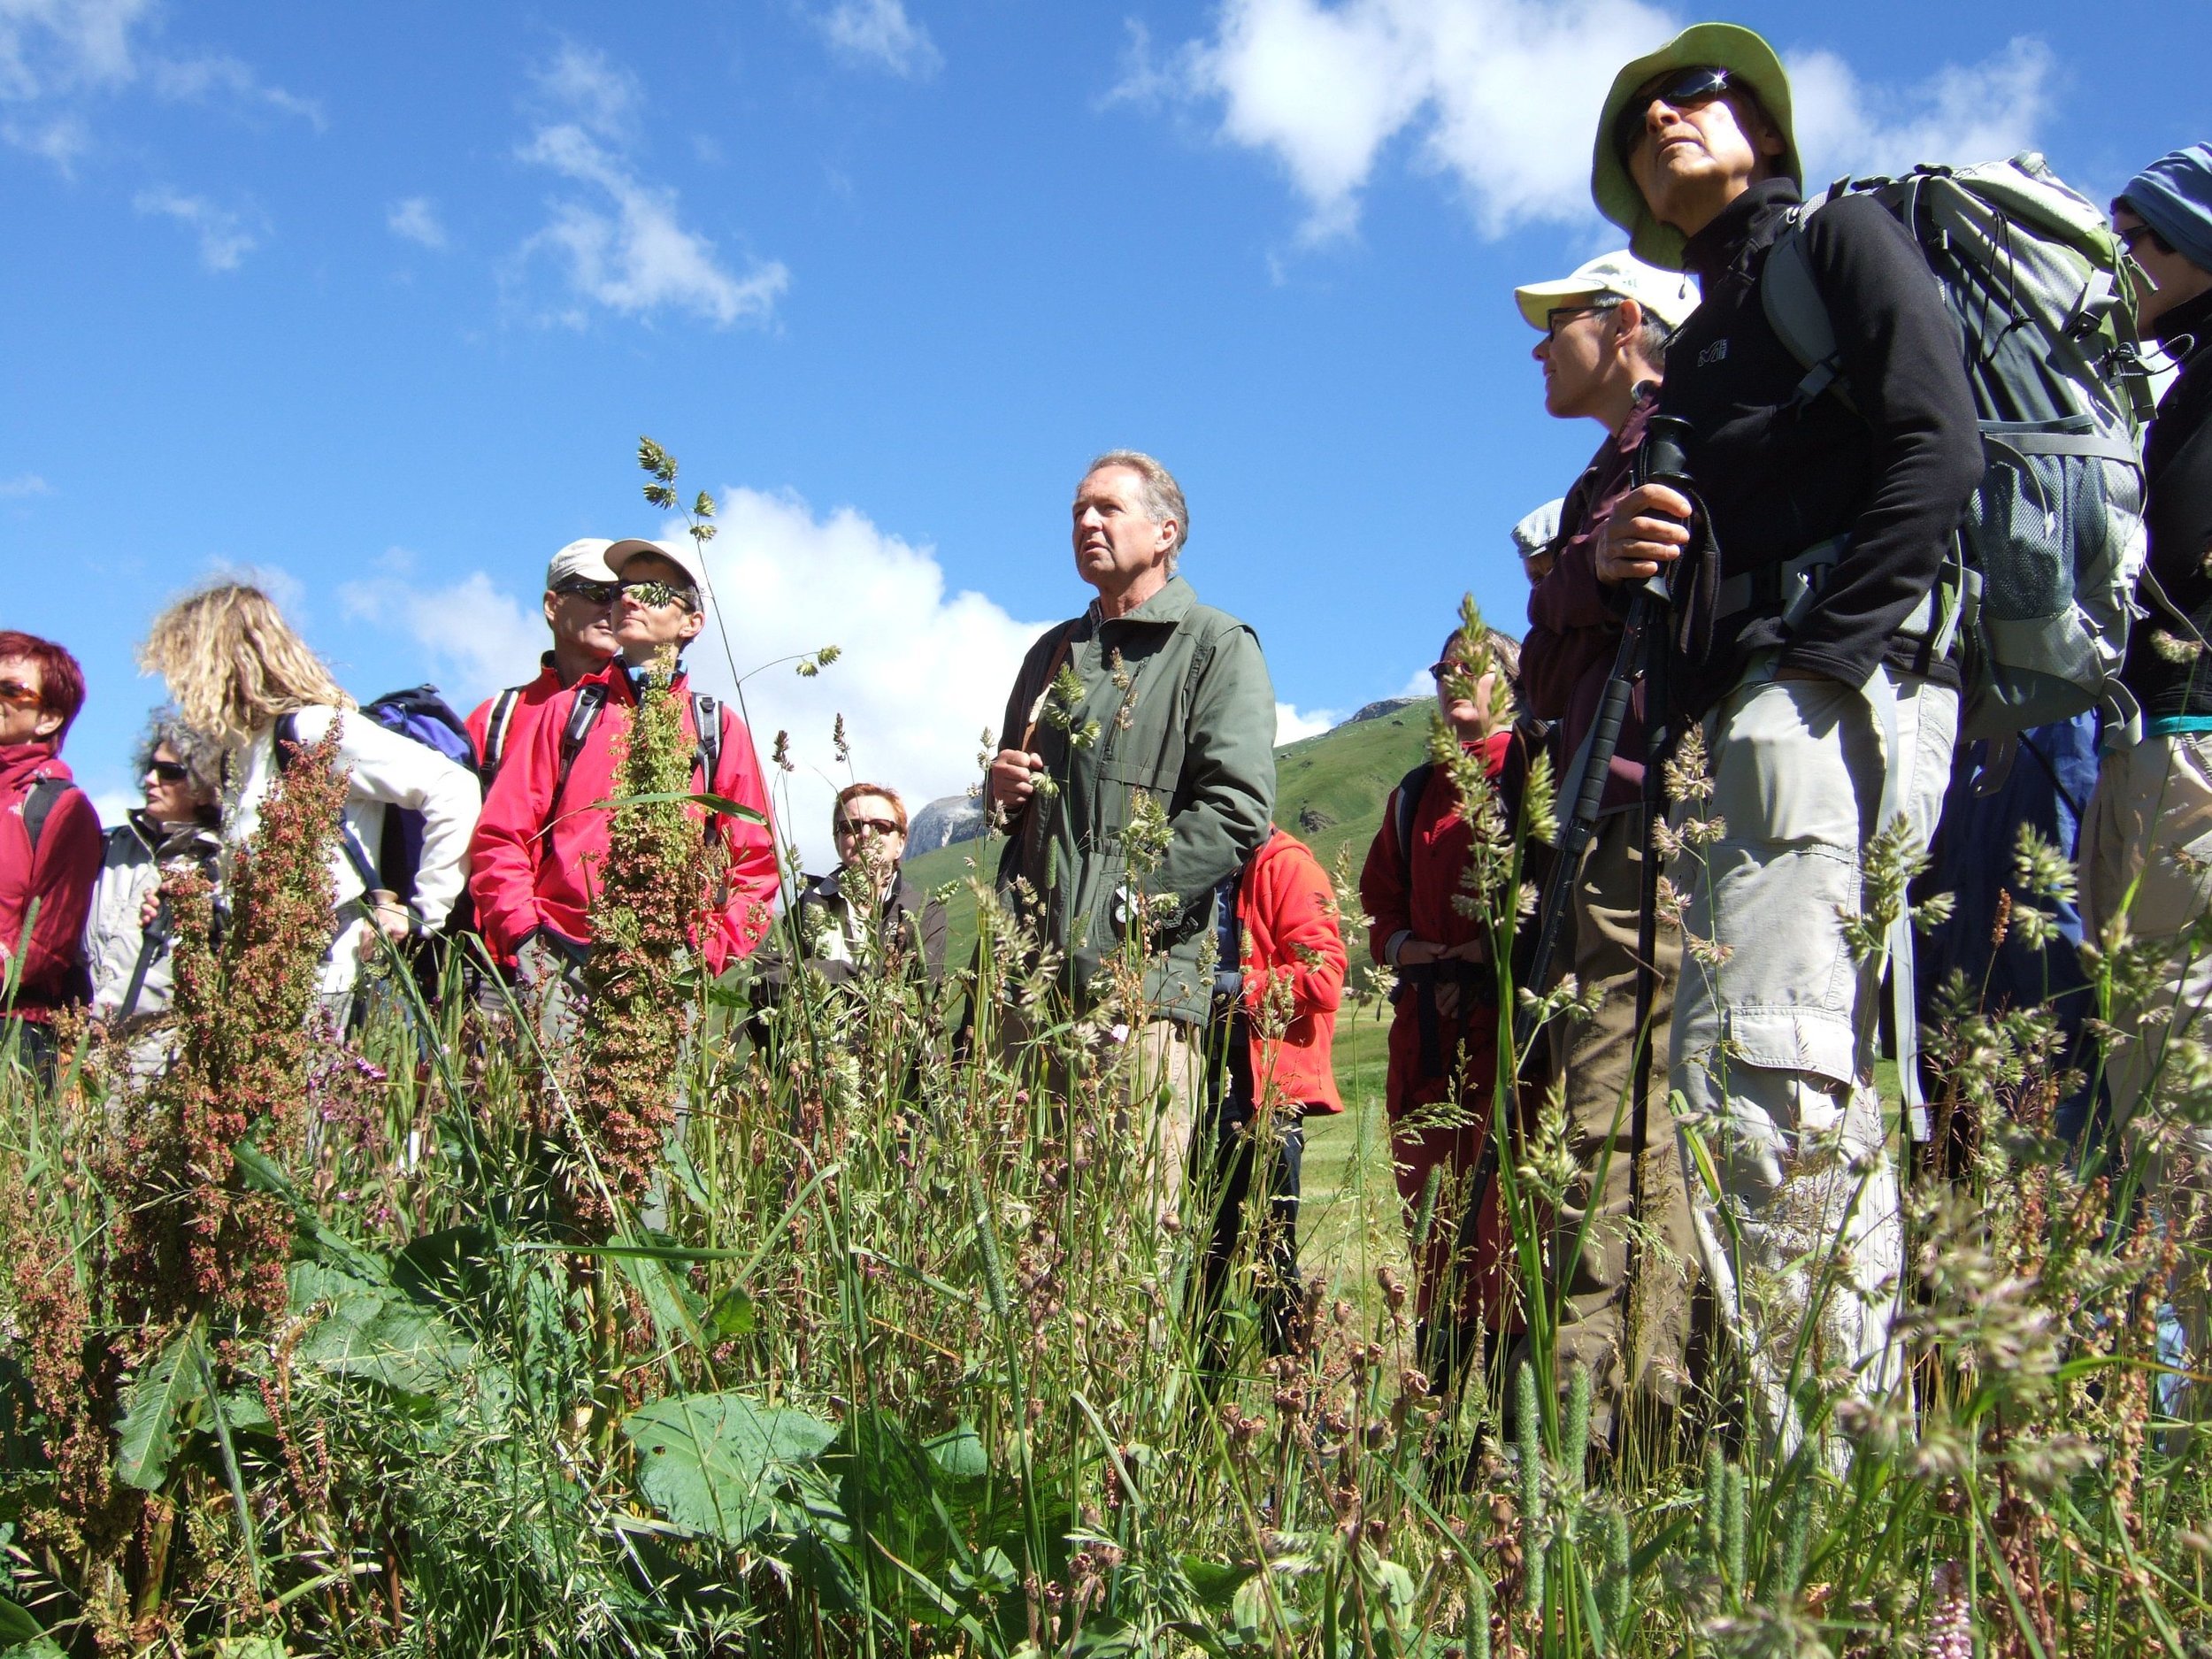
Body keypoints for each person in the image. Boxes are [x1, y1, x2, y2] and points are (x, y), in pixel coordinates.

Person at [1591, 24, 1984, 1448]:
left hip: (1823, 706)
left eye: (1689, 97)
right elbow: (1700, 590)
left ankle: (1848, 1475)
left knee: (1774, 1067)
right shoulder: (1698, 343)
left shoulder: (1844, 236)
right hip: (1745, 723)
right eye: (1639, 125)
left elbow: (1940, 446)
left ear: (1761, 118)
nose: (1663, 122)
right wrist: (1639, 560)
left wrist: (1818, 666)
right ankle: (1840, 1460)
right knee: (1752, 1076)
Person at [1515, 250, 1702, 1447]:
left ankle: (1601, 1425)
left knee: (1611, 1117)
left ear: (1626, 324)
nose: (1538, 347)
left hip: (1644, 818)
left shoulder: (1672, 449)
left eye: (1556, 323)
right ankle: (1645, 1405)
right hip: (1611, 823)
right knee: (1622, 1115)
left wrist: (1574, 579)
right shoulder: (1612, 469)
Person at [987, 451, 1277, 1214]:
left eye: (1107, 509)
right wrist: (999, 793)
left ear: (1166, 530)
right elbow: (1017, 812)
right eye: (1078, 510)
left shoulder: (1215, 644)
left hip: (1139, 992)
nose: (1085, 522)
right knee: (1019, 1226)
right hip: (1029, 989)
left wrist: (1133, 905)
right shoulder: (1051, 653)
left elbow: (1238, 806)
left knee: (1124, 1240)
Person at [2078, 143, 2212, 1412]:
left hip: (2190, 754)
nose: (2120, 253)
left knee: (2184, 1097)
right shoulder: (2173, 394)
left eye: (2143, 233)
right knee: (2153, 1095)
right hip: (2155, 750)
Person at [137, 585, 484, 1006]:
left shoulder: (312, 730)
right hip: (266, 982)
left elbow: (451, 786)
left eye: (183, 665)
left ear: (221, 661)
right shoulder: (243, 754)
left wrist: (421, 912)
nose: (178, 686)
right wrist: (194, 896)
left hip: (330, 981)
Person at [470, 538, 780, 1008]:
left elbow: (756, 861)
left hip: (670, 962)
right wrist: (525, 935)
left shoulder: (716, 728)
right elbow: (501, 834)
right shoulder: (565, 713)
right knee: (552, 1084)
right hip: (559, 956)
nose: (629, 598)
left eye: (654, 590)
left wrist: (707, 951)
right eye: (623, 589)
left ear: (692, 622)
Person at [1360, 626, 1538, 1383]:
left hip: (1505, 1028)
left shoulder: (1531, 773)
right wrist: (1405, 947)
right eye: (1444, 669)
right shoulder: (1414, 792)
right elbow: (1378, 902)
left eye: (1473, 667)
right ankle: (1433, 1412)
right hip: (1426, 1033)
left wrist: (1493, 948)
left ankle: (1505, 1414)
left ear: (1509, 679)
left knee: (1503, 1219)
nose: (1455, 680)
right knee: (1431, 1222)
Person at [1194, 823, 1346, 1365]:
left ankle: (1300, 1417)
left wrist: (1233, 987)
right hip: (1200, 1075)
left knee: (1268, 1255)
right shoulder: (1198, 863)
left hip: (1264, 1085)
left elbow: (1325, 977)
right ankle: (1195, 1415)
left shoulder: (1287, 866)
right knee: (1201, 1256)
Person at [0, 631, 103, 1071]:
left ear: (48, 719)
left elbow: (48, 943)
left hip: (14, 1033)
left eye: (10, 689)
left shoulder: (61, 808)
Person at [85, 711, 224, 1028]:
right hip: (82, 1047)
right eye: (150, 767)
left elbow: (197, 972)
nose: (151, 779)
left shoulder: (220, 865)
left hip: (163, 1052)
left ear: (205, 786)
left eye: (169, 772)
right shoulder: (109, 846)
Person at [466, 538, 623, 786]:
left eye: (620, 597)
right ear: (552, 605)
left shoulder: (644, 708)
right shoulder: (495, 717)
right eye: (598, 593)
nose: (612, 609)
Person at [772, 783, 948, 989]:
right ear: (837, 840)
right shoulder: (808, 905)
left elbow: (921, 990)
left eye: (880, 827)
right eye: (850, 827)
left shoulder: (923, 912)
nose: (864, 834)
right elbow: (770, 981)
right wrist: (870, 977)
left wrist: (814, 972)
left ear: (900, 842)